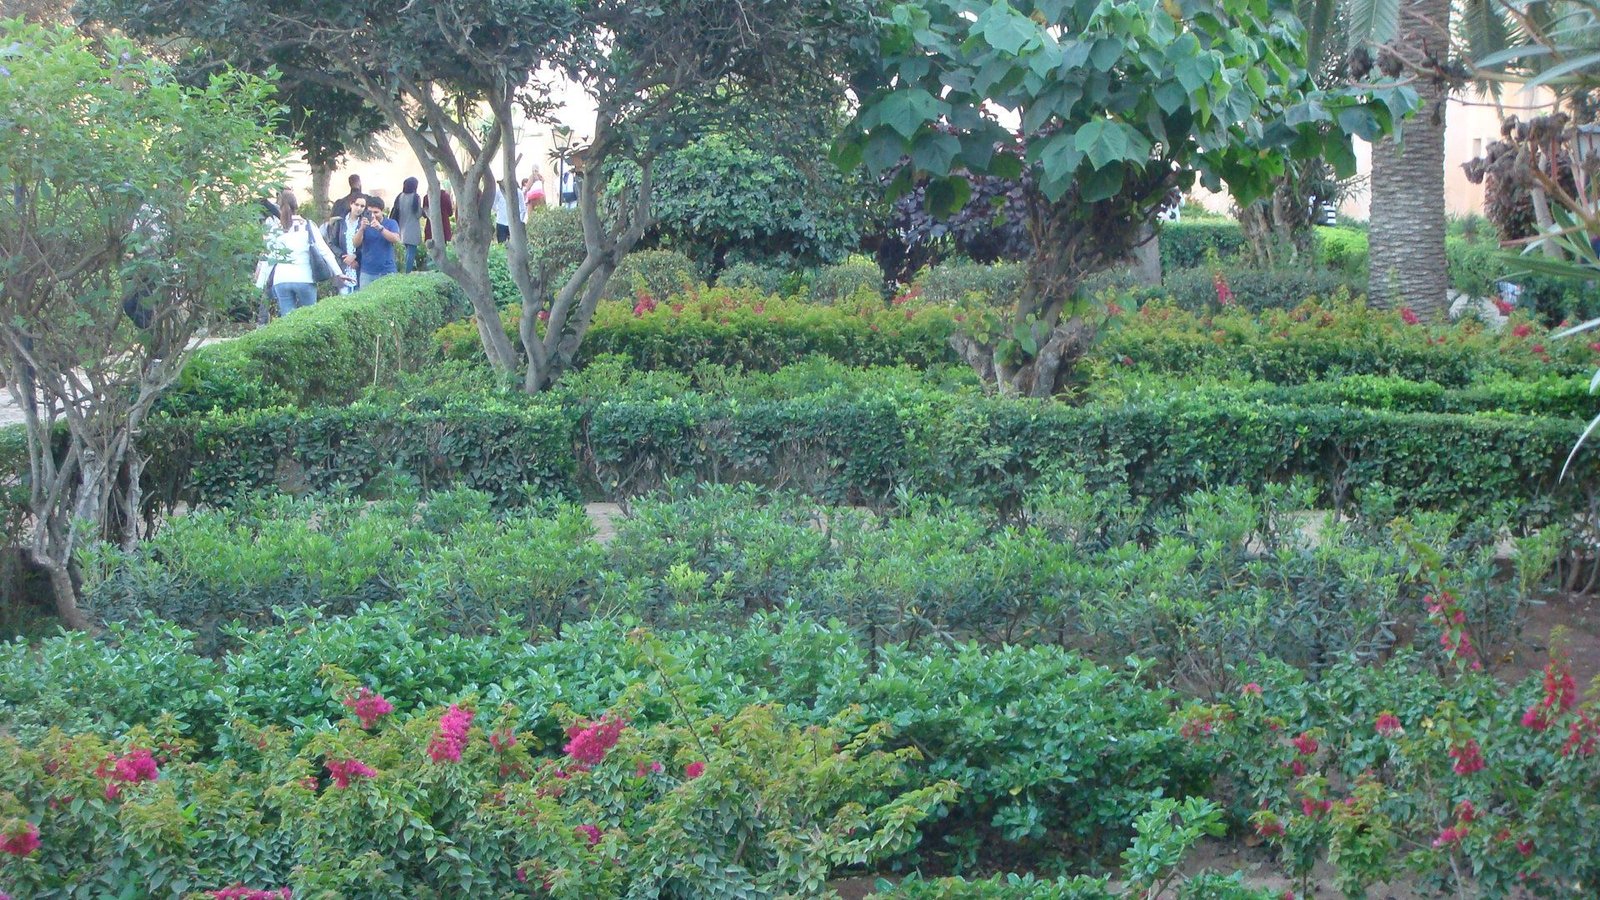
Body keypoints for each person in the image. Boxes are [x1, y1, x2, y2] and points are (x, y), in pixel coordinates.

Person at [254, 189, 347, 316]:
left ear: (280, 207)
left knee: (288, 321)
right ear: (296, 206)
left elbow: (268, 258)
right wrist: (339, 273)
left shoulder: (275, 229)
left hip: (281, 279)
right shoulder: (307, 225)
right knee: (309, 318)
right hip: (304, 278)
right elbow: (325, 251)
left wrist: (260, 284)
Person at [353, 196, 401, 289]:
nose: (373, 215)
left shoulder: (391, 223)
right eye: (370, 212)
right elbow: (355, 244)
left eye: (376, 212)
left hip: (387, 270)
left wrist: (380, 228)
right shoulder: (363, 223)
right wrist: (361, 229)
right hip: (367, 272)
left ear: (382, 211)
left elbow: (396, 239)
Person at [323, 194, 367, 295]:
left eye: (362, 206)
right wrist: (344, 257)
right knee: (343, 297)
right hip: (343, 265)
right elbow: (332, 243)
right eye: (357, 204)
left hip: (359, 266)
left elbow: (367, 245)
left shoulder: (364, 223)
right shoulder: (340, 222)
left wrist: (355, 256)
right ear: (351, 204)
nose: (359, 208)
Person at [393, 177, 425, 272]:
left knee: (404, 253)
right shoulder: (415, 197)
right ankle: (407, 273)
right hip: (412, 229)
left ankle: (401, 271)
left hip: (400, 228)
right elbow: (418, 214)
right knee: (410, 253)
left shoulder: (400, 196)